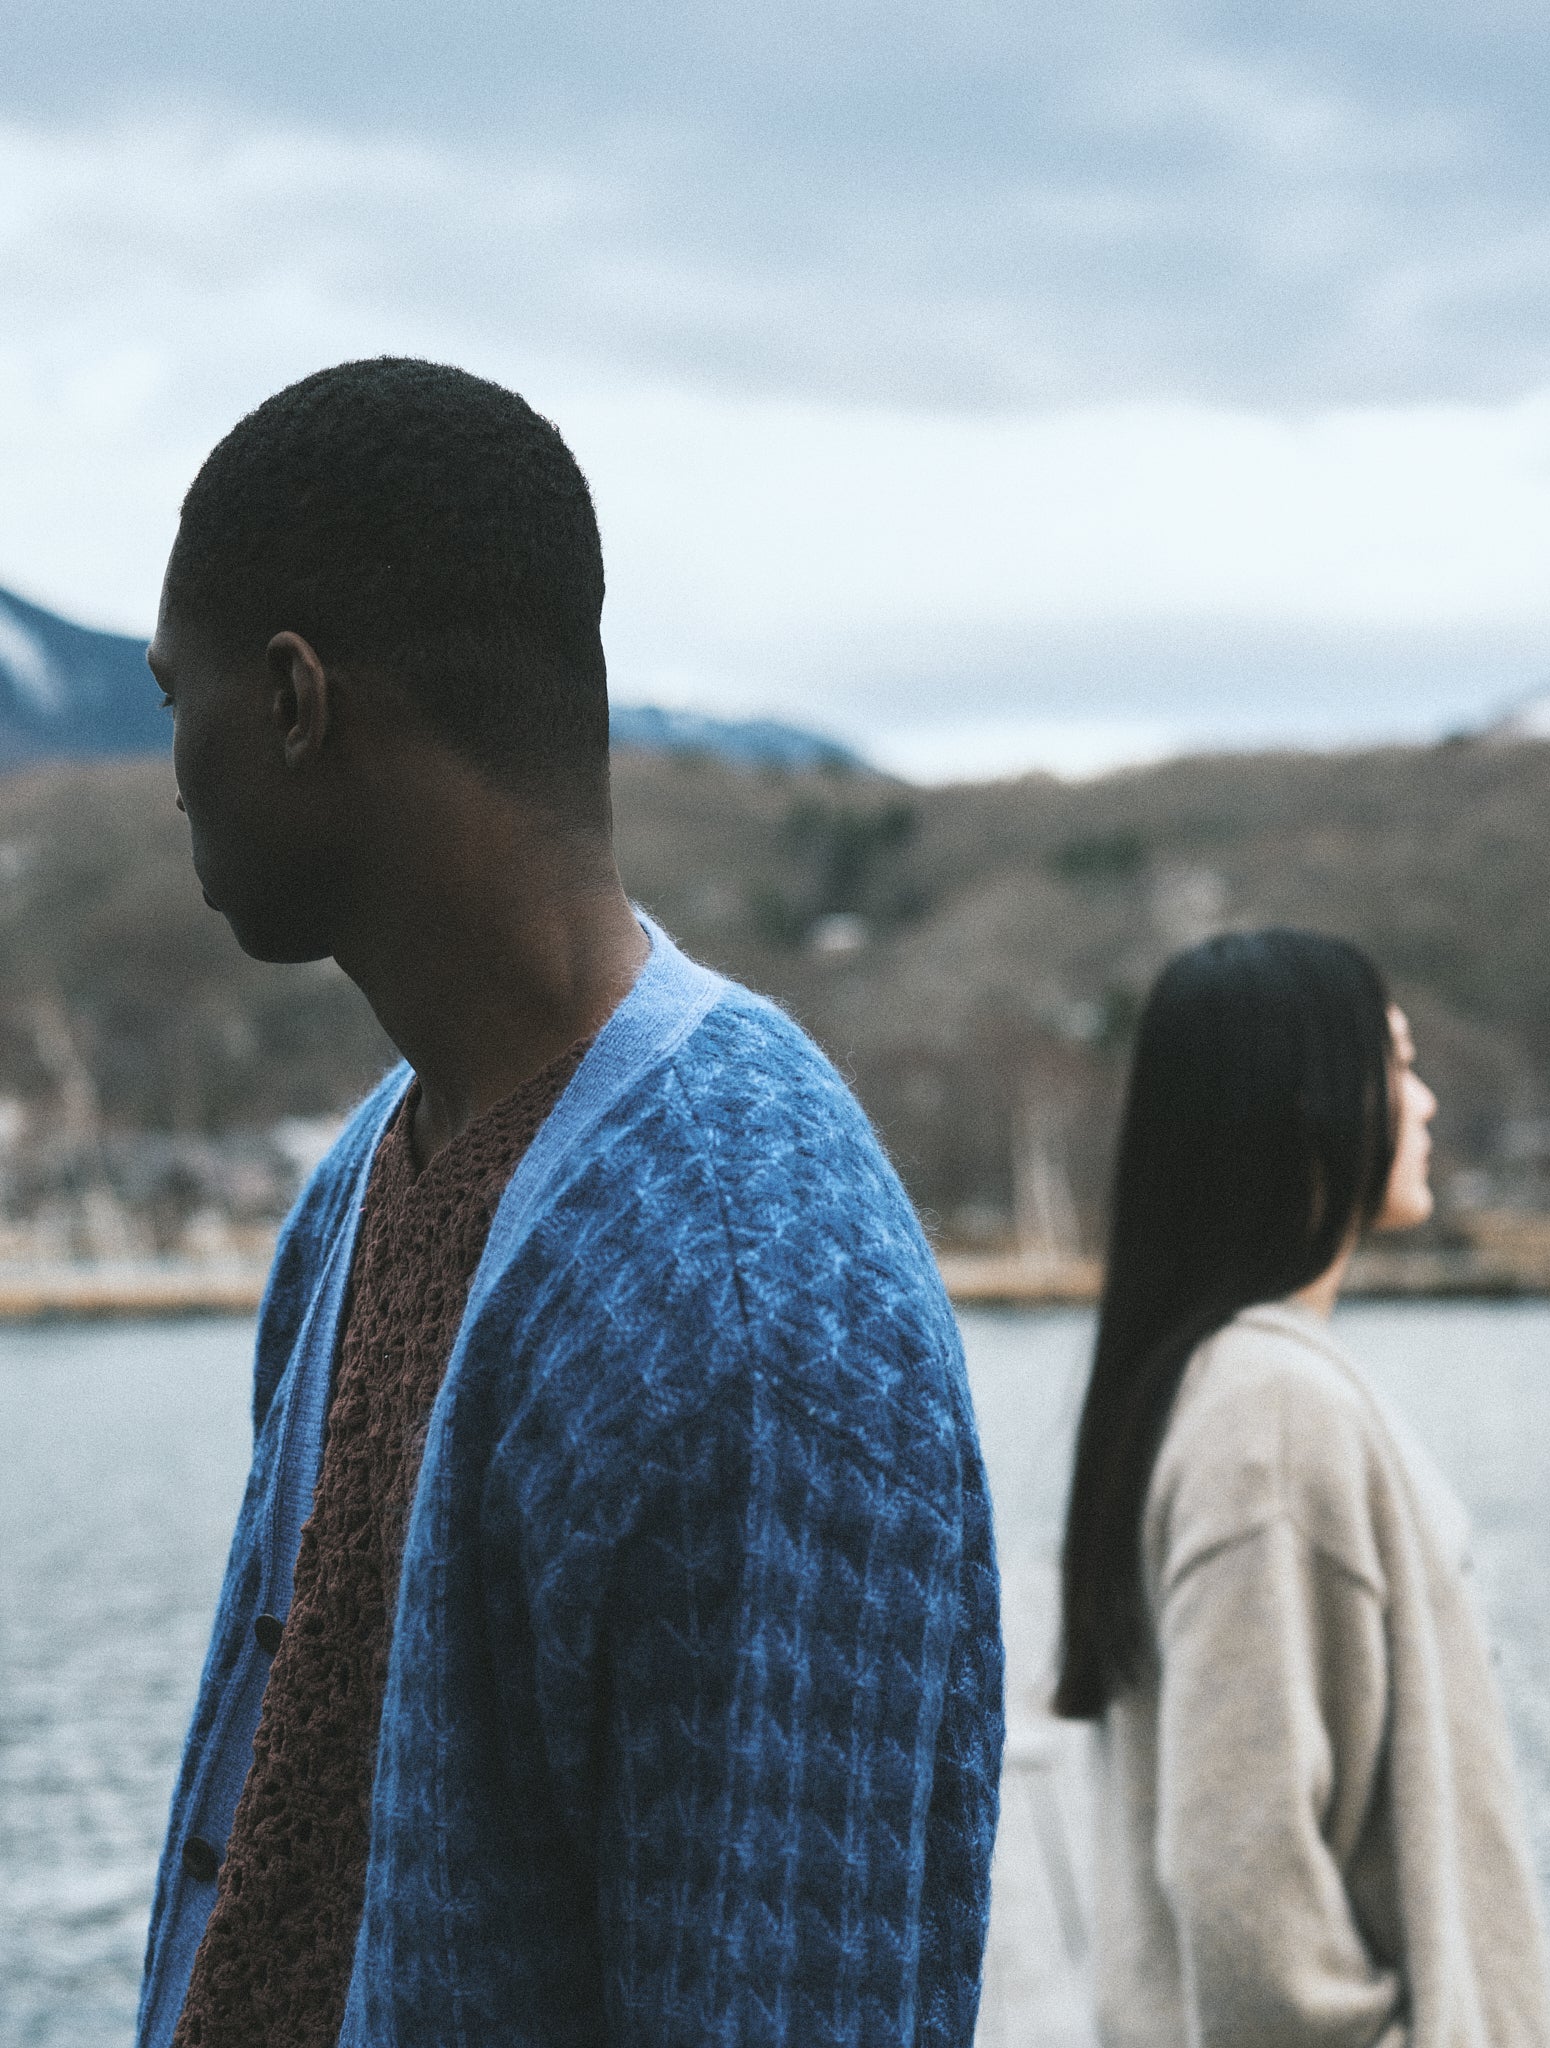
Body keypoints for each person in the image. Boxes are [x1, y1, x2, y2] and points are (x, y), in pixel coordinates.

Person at [134, 358, 1003, 2048]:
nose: (171, 770)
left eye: (183, 699)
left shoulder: (757, 1297)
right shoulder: (358, 1186)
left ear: (297, 700)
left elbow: (785, 2000)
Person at [1056, 928, 1550, 2047]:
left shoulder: (1215, 1383)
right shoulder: (1269, 1412)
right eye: (1397, 1064)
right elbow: (1241, 1867)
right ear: (1308, 1102)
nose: (1423, 1104)